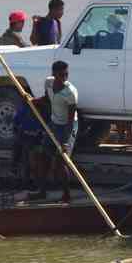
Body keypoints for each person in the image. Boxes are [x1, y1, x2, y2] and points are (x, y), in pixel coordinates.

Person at [44, 60, 78, 202]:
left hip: (67, 127)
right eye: (61, 74)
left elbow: (70, 121)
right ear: (53, 74)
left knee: (61, 160)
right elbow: (47, 99)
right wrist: (32, 100)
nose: (64, 77)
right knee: (42, 154)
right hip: (53, 124)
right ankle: (42, 191)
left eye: (66, 74)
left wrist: (65, 141)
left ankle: (66, 195)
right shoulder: (49, 83)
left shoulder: (70, 93)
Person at [11, 97, 46, 194]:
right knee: (21, 154)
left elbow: (41, 128)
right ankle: (18, 174)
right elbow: (15, 124)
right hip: (26, 136)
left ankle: (25, 181)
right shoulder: (23, 109)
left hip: (32, 137)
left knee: (26, 159)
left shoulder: (36, 111)